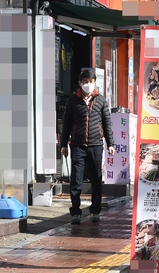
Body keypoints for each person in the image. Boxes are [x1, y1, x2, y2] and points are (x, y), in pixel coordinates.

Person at [60, 69, 115, 225]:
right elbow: (67, 124)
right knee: (76, 180)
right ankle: (75, 213)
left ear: (94, 83)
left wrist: (110, 143)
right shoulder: (73, 100)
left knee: (96, 179)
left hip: (96, 145)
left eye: (90, 82)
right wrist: (63, 144)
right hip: (77, 145)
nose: (88, 85)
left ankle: (95, 211)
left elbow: (107, 123)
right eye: (85, 82)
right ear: (80, 83)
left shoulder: (101, 101)